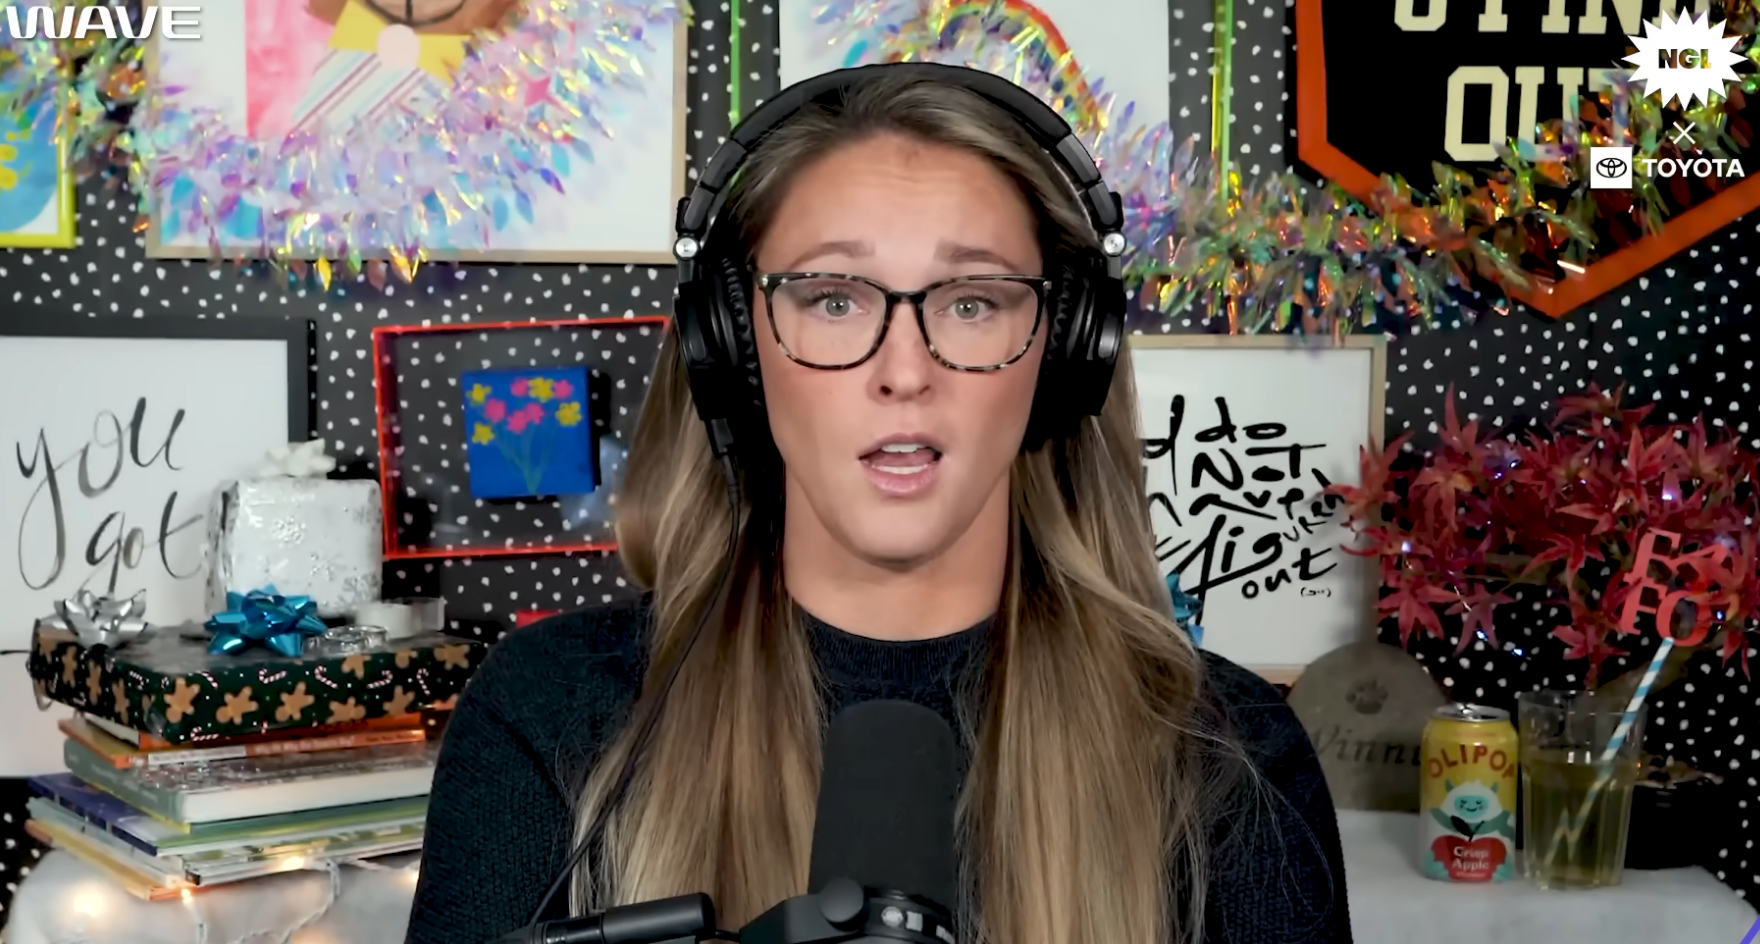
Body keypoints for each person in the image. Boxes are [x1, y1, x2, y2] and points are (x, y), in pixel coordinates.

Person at [406, 64, 1351, 944]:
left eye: (973, 302)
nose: (906, 372)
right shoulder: (548, 712)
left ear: (1064, 359)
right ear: (733, 354)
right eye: (832, 299)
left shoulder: (1230, 751)